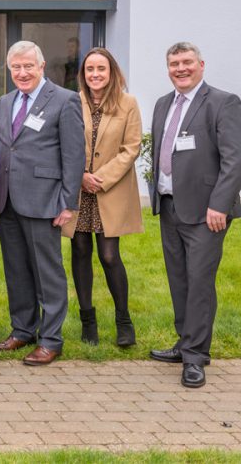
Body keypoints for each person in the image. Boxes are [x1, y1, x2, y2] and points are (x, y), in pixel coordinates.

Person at [149, 42, 241, 389]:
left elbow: (236, 159)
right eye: (174, 63)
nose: (181, 68)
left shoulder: (223, 102)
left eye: (187, 62)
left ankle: (195, 358)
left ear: (201, 65)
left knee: (200, 283)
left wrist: (220, 204)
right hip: (170, 204)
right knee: (179, 279)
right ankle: (184, 341)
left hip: (208, 212)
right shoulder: (164, 104)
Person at [0, 40, 85, 366]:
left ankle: (51, 339)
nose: (22, 72)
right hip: (8, 200)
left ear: (41, 67)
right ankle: (23, 329)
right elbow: (5, 147)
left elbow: (73, 156)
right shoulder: (5, 101)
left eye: (29, 66)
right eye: (16, 66)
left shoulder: (65, 99)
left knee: (48, 273)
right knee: (16, 270)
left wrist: (68, 203)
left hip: (44, 200)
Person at [62, 48, 143, 347]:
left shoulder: (127, 103)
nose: (95, 74)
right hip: (79, 190)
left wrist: (100, 179)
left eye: (101, 69)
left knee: (109, 256)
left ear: (112, 72)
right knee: (80, 252)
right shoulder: (73, 101)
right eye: (89, 69)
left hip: (110, 190)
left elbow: (131, 147)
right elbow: (65, 142)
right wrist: (80, 175)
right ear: (83, 74)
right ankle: (88, 322)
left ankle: (124, 321)